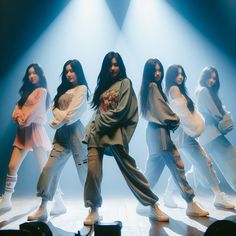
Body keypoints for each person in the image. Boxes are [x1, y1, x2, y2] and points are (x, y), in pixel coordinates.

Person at [82, 52, 170, 226]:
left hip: (114, 133)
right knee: (92, 172)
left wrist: (101, 123)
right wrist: (92, 127)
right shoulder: (103, 86)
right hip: (96, 134)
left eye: (116, 65)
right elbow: (98, 111)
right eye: (110, 65)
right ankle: (93, 210)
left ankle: (153, 204)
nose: (113, 68)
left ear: (120, 66)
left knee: (131, 171)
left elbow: (122, 111)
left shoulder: (125, 83)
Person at [138, 58, 209, 218]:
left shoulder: (147, 88)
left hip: (152, 132)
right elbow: (163, 111)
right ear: (149, 73)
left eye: (159, 70)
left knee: (153, 171)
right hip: (161, 133)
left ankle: (142, 202)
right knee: (177, 166)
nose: (157, 73)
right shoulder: (154, 86)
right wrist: (176, 120)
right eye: (154, 70)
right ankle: (190, 203)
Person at [163, 64, 234, 209]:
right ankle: (217, 195)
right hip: (185, 135)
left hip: (188, 135)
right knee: (203, 163)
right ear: (171, 76)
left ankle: (169, 192)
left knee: (201, 165)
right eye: (177, 74)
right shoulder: (174, 89)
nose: (180, 77)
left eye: (182, 73)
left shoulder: (178, 90)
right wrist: (198, 128)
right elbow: (183, 115)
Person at [27, 59, 89, 221]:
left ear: (78, 72)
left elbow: (72, 115)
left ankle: (94, 208)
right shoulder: (63, 90)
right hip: (61, 136)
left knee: (85, 172)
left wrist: (57, 120)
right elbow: (54, 109)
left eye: (72, 71)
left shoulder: (82, 89)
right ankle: (43, 208)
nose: (69, 74)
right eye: (66, 71)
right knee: (49, 169)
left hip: (77, 135)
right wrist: (60, 118)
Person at [0, 63, 64, 214]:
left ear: (40, 75)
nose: (31, 76)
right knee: (11, 167)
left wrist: (24, 120)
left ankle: (59, 200)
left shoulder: (41, 91)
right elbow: (17, 108)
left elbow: (36, 110)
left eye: (34, 73)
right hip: (23, 132)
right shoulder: (26, 92)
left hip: (35, 130)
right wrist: (19, 118)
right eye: (29, 74)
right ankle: (7, 199)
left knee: (44, 169)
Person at [195, 66, 236, 194]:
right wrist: (226, 118)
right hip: (213, 135)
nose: (212, 80)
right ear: (204, 77)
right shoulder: (204, 91)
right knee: (232, 162)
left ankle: (169, 190)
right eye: (209, 77)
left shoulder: (201, 91)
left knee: (198, 169)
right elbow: (216, 113)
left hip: (207, 136)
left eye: (214, 78)